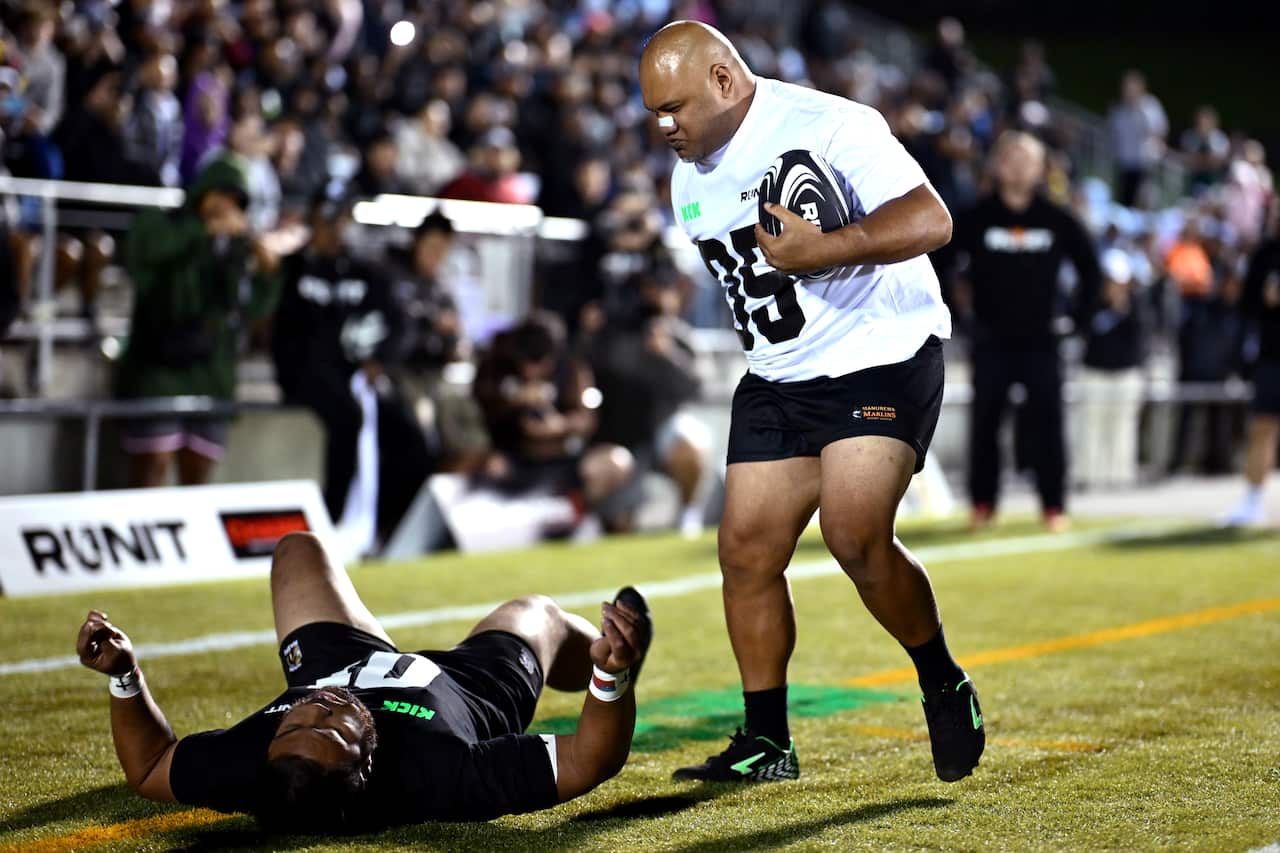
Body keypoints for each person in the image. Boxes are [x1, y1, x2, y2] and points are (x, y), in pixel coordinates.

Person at [639, 21, 983, 784]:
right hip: (778, 373)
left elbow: (931, 219)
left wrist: (828, 247)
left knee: (855, 537)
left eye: (675, 107)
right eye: (652, 113)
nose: (664, 127)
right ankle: (768, 740)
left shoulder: (829, 123)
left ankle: (940, 677)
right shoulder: (686, 174)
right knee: (746, 553)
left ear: (725, 80)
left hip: (879, 354)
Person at [75, 531, 653, 831]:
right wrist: (611, 676)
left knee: (299, 550)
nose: (318, 709)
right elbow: (587, 761)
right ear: (366, 763)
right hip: (468, 686)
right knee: (540, 612)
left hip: (341, 660)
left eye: (294, 722)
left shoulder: (249, 764)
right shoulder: (440, 775)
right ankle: (612, 649)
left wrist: (125, 677)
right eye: (330, 729)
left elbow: (149, 767)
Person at [947, 131, 1101, 531]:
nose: (1017, 165)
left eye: (1027, 158)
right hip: (991, 342)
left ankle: (1054, 506)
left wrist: (1078, 324)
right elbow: (939, 267)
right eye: (1010, 157)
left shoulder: (1057, 218)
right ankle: (982, 504)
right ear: (996, 166)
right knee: (985, 425)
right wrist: (959, 320)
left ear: (1040, 169)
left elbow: (1092, 271)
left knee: (1048, 425)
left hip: (1043, 344)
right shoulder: (974, 217)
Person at [271, 190, 432, 557]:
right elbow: (280, 332)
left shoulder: (364, 270)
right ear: (314, 221)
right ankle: (330, 523)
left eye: (341, 219)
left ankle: (390, 527)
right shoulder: (294, 268)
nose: (336, 229)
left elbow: (400, 323)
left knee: (409, 435)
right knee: (349, 418)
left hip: (355, 374)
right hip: (305, 375)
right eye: (329, 220)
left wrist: (381, 360)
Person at [115, 155, 282, 488]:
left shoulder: (237, 246)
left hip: (212, 373)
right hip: (158, 368)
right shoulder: (162, 222)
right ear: (202, 191)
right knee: (152, 469)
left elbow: (254, 309)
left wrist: (268, 272)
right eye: (220, 194)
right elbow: (141, 256)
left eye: (235, 201)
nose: (225, 207)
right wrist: (200, 229)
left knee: (198, 479)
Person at [1224, 207, 1280, 526]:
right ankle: (1252, 502)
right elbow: (1247, 305)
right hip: (1272, 356)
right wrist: (1266, 298)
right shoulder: (1266, 254)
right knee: (1263, 428)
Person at [1075, 249, 1149, 489]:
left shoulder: (1136, 305)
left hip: (1125, 374)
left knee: (1123, 429)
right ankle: (1089, 476)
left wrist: (1123, 308)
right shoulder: (1089, 301)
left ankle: (1120, 477)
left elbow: (1143, 334)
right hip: (1095, 372)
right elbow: (1082, 327)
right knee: (1090, 427)